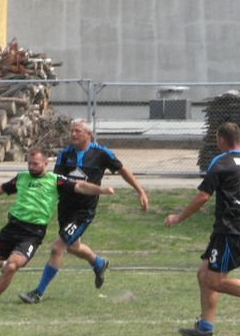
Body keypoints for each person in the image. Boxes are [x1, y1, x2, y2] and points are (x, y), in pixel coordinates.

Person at [164, 122, 240, 336]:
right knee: (204, 275)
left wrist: (178, 217)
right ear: (239, 139)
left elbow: (202, 196)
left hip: (229, 230)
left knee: (215, 281)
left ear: (221, 140)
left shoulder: (221, 162)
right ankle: (205, 327)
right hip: (232, 230)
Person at [0, 146, 114, 312]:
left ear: (45, 163)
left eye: (35, 164)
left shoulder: (56, 180)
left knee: (13, 267)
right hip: (11, 228)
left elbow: (80, 186)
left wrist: (102, 190)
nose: (31, 167)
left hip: (32, 234)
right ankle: (6, 263)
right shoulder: (21, 178)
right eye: (29, 163)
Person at [19, 119, 148, 304]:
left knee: (58, 247)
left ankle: (37, 293)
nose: (73, 134)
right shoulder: (65, 154)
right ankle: (99, 263)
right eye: (71, 131)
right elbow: (56, 182)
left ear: (88, 134)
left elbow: (122, 170)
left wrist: (140, 191)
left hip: (83, 212)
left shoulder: (101, 153)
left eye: (77, 131)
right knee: (73, 247)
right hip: (65, 208)